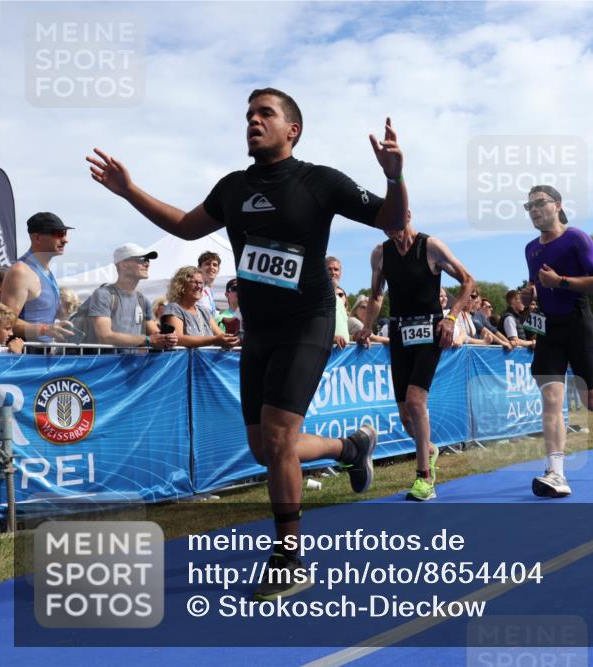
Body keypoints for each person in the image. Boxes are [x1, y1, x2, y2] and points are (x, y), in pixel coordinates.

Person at [86, 87, 407, 599]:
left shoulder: (320, 181)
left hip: (309, 320)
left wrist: (394, 176)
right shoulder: (234, 187)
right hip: (259, 329)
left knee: (279, 440)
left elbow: (393, 221)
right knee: (265, 449)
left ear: (291, 129)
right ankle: (351, 447)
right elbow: (186, 227)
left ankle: (289, 558)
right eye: (249, 115)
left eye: (265, 114)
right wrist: (130, 191)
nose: (253, 122)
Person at [518, 184, 593, 498]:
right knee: (552, 399)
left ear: (557, 205)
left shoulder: (576, 238)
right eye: (528, 206)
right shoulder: (531, 249)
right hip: (548, 331)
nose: (533, 210)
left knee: (592, 400)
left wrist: (560, 282)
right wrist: (530, 293)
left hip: (577, 324)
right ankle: (556, 473)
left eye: (539, 204)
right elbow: (537, 283)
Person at [354, 211, 475, 502]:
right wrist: (368, 326)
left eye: (393, 221)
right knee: (406, 416)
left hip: (429, 330)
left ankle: (424, 478)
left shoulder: (430, 246)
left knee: (416, 400)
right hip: (399, 332)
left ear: (406, 214)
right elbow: (377, 295)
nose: (389, 230)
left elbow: (468, 282)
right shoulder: (379, 254)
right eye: (382, 225)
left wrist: (451, 318)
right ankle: (429, 450)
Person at [0, 213, 75, 345]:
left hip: (41, 357)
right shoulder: (21, 271)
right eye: (58, 233)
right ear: (37, 238)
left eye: (65, 233)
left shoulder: (48, 273)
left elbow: (43, 316)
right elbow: (5, 321)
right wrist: (44, 329)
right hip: (24, 359)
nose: (65, 240)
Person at [87, 243, 177, 349]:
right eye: (142, 259)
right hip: (107, 364)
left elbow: (156, 335)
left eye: (148, 260)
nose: (147, 264)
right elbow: (104, 336)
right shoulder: (103, 294)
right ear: (123, 264)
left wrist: (168, 338)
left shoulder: (143, 300)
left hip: (133, 364)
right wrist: (147, 340)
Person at [161, 266, 239, 349]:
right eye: (194, 282)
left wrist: (232, 339)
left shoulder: (204, 311)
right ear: (182, 285)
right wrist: (214, 340)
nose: (199, 286)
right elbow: (178, 339)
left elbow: (220, 335)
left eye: (201, 283)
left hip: (206, 361)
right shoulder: (174, 308)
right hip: (187, 361)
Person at [325, 256, 349, 348]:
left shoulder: (339, 300)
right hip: (326, 354)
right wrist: (331, 338)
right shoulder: (318, 296)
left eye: (336, 269)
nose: (333, 272)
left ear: (340, 273)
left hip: (342, 357)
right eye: (329, 269)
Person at [197, 251, 221, 316]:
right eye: (207, 264)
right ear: (199, 268)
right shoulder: (194, 287)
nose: (211, 267)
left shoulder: (208, 290)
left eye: (215, 265)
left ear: (218, 269)